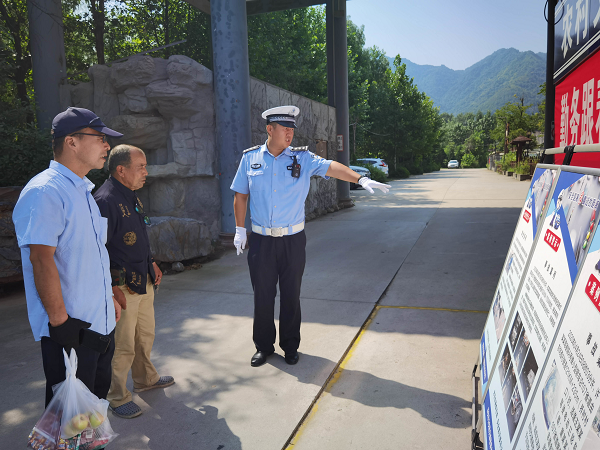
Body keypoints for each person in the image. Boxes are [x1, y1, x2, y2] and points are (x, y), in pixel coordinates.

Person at [231, 105, 391, 367]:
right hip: (261, 241)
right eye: (284, 129)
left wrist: (360, 179)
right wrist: (239, 229)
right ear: (269, 129)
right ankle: (263, 346)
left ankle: (290, 346)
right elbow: (240, 195)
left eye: (292, 129)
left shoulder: (301, 159)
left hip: (293, 241)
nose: (289, 134)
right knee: (262, 296)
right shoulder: (250, 159)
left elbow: (332, 167)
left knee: (291, 295)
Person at [12, 107, 124, 406]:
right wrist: (61, 324)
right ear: (71, 142)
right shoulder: (45, 191)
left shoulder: (83, 191)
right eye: (99, 138)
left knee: (93, 414)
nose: (107, 146)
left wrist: (108, 297)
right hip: (73, 332)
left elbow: (88, 255)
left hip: (99, 326)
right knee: (69, 424)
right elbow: (41, 259)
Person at [93, 144, 174, 419]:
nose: (145, 172)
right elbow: (98, 248)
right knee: (123, 345)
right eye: (140, 167)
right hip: (123, 287)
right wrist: (110, 287)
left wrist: (151, 261)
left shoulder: (130, 195)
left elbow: (139, 233)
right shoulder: (105, 200)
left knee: (144, 336)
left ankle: (146, 378)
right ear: (121, 169)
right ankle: (117, 396)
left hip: (143, 279)